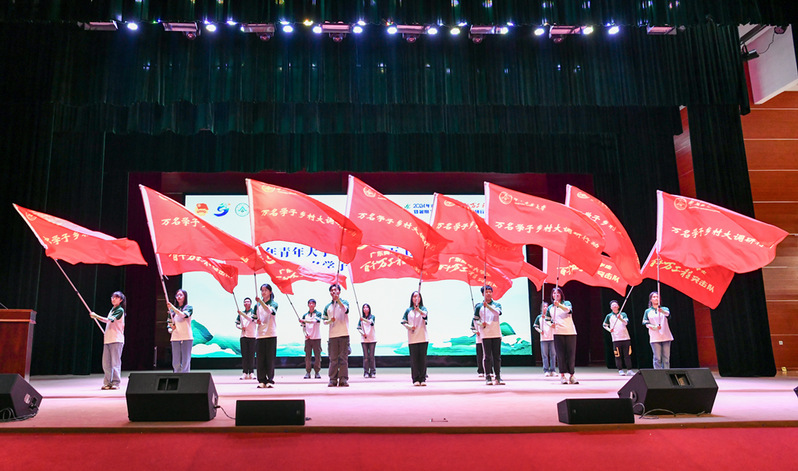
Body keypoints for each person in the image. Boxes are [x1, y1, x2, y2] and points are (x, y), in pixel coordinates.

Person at [90, 291, 126, 390]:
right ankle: (107, 382)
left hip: (116, 340)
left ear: (121, 300)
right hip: (107, 340)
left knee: (115, 363)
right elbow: (107, 321)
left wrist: (96, 316)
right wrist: (96, 317)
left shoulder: (120, 310)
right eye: (112, 297)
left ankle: (116, 382)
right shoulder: (112, 310)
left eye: (116, 297)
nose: (113, 299)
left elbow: (109, 320)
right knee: (106, 363)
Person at [474, 285, 504, 386]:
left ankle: (498, 376)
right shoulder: (479, 307)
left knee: (497, 356)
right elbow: (475, 320)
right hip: (485, 334)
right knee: (487, 356)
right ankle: (488, 376)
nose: (488, 293)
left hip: (496, 333)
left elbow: (497, 313)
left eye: (490, 292)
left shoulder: (497, 305)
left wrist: (488, 306)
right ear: (483, 294)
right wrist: (481, 323)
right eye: (486, 292)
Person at [547, 287, 577, 384]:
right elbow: (547, 319)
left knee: (571, 354)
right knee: (560, 355)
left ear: (561, 294)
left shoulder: (566, 303)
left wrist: (559, 305)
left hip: (570, 332)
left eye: (558, 293)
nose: (556, 295)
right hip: (558, 333)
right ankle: (562, 375)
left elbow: (569, 311)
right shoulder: (550, 308)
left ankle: (572, 375)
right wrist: (550, 324)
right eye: (554, 293)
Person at [323, 283, 350, 387]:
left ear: (339, 291)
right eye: (332, 290)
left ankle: (343, 379)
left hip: (343, 334)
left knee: (343, 358)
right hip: (332, 335)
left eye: (335, 290)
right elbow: (324, 321)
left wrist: (338, 300)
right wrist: (330, 321)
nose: (333, 291)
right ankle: (332, 379)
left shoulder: (344, 302)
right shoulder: (328, 306)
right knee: (333, 359)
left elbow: (345, 310)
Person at [402, 292, 429, 386]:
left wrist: (419, 310)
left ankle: (423, 378)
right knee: (414, 360)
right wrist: (410, 327)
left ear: (420, 298)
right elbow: (403, 322)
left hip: (423, 337)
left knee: (422, 360)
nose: (416, 298)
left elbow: (425, 315)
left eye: (418, 296)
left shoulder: (423, 309)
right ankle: (415, 379)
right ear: (412, 298)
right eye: (414, 296)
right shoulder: (408, 310)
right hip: (412, 338)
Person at [255, 283, 278, 388]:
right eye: (262, 290)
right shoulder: (257, 305)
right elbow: (254, 318)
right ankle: (261, 380)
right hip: (260, 335)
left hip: (270, 334)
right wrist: (257, 321)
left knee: (270, 359)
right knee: (260, 359)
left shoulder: (273, 303)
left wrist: (260, 302)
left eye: (265, 290)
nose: (263, 292)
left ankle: (270, 380)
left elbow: (270, 311)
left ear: (270, 292)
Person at [603, 300, 634, 376]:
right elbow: (604, 325)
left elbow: (626, 323)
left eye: (616, 305)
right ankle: (620, 370)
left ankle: (629, 370)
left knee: (627, 355)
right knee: (618, 355)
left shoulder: (623, 314)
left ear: (618, 306)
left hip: (626, 338)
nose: (614, 306)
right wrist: (609, 330)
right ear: (611, 307)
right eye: (613, 305)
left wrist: (620, 318)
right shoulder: (609, 316)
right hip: (616, 339)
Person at [643, 291, 673, 369]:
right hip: (655, 337)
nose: (656, 298)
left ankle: (666, 372)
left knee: (666, 358)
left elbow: (668, 315)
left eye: (657, 297)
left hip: (666, 336)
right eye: (654, 297)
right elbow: (645, 323)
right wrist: (654, 327)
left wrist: (661, 311)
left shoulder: (665, 309)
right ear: (651, 299)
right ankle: (658, 373)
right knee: (657, 358)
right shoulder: (648, 311)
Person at [167, 289, 193, 373]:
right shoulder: (171, 311)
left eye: (181, 295)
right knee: (176, 362)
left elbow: (182, 315)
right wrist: (171, 328)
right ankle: (176, 376)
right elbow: (169, 322)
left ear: (185, 297)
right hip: (175, 337)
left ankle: (185, 377)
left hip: (186, 337)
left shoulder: (188, 308)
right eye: (177, 295)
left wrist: (172, 307)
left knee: (186, 361)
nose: (178, 297)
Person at [300, 298, 323, 379]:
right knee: (307, 356)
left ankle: (317, 372)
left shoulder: (318, 314)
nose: (311, 305)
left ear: (315, 305)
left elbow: (315, 321)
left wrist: (304, 321)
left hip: (316, 338)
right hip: (308, 339)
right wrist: (305, 334)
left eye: (313, 303)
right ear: (308, 305)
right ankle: (308, 372)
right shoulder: (305, 315)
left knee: (317, 356)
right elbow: (303, 327)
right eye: (310, 303)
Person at [236, 297, 257, 380]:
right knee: (244, 355)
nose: (246, 303)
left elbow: (251, 320)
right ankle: (244, 372)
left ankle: (251, 372)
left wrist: (241, 313)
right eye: (245, 302)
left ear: (250, 303)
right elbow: (237, 324)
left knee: (251, 355)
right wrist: (241, 327)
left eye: (248, 302)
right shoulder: (241, 314)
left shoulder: (253, 312)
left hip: (252, 336)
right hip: (243, 336)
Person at [533, 301, 556, 377]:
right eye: (544, 307)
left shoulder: (551, 316)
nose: (545, 308)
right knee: (545, 355)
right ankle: (546, 370)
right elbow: (535, 326)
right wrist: (540, 331)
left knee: (553, 354)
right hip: (543, 339)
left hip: (552, 337)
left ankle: (553, 370)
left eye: (546, 306)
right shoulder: (539, 317)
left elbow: (554, 323)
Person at [357, 303, 377, 378]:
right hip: (364, 339)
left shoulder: (372, 317)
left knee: (371, 356)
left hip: (372, 339)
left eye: (367, 307)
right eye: (364, 307)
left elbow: (371, 322)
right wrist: (363, 334)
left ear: (369, 309)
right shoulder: (361, 319)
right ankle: (366, 372)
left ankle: (373, 372)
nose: (365, 309)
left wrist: (364, 319)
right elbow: (358, 328)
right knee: (365, 357)